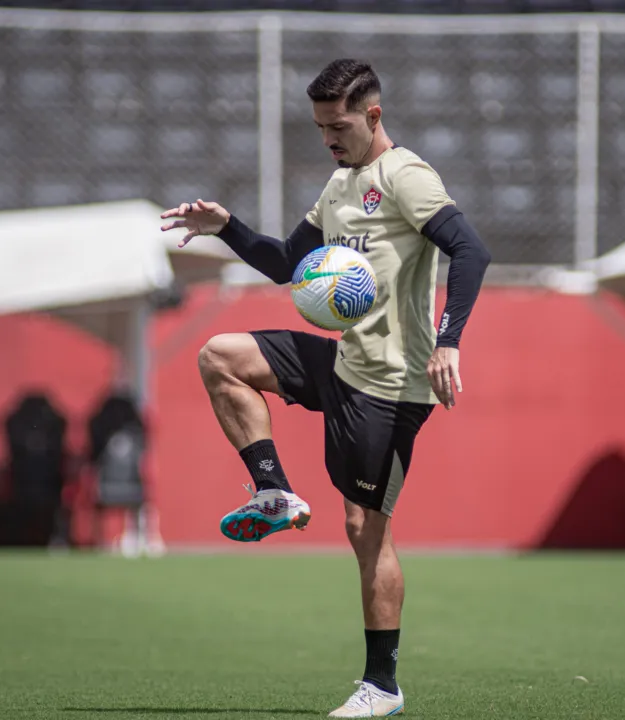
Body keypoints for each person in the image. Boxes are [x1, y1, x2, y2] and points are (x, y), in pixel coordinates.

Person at [160, 58, 491, 718]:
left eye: (337, 127)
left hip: (393, 388)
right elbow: (286, 263)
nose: (328, 140)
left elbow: (471, 250)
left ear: (372, 116)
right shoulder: (340, 185)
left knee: (365, 529)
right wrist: (227, 227)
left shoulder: (406, 175)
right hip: (343, 363)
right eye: (319, 129)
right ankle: (273, 490)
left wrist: (449, 338)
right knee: (220, 357)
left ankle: (382, 686)